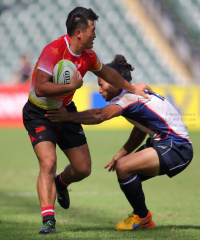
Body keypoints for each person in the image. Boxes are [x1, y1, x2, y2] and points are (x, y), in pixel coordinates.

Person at [22, 7, 152, 234]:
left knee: (83, 169)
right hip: (39, 112)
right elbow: (41, 87)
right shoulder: (53, 51)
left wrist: (132, 88)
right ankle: (48, 220)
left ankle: (60, 183)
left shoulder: (89, 56)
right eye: (93, 29)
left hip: (65, 111)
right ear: (80, 32)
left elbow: (109, 75)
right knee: (48, 162)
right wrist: (71, 86)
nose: (95, 34)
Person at [46, 54, 193, 231]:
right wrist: (121, 153)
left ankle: (142, 216)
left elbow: (101, 115)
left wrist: (68, 116)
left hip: (175, 146)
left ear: (115, 82)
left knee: (124, 168)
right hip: (172, 144)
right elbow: (140, 130)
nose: (100, 90)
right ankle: (141, 215)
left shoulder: (128, 97)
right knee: (126, 172)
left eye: (101, 84)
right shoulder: (135, 92)